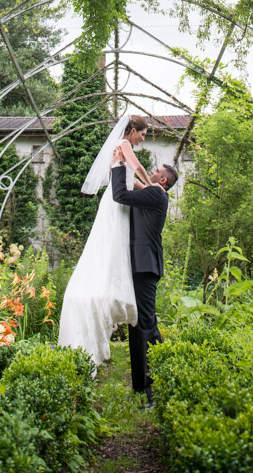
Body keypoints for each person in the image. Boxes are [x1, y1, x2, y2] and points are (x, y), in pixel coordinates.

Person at [57, 113, 154, 366]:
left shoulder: (121, 147)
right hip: (116, 203)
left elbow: (130, 178)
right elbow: (138, 168)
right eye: (143, 135)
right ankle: (110, 291)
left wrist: (145, 188)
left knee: (114, 244)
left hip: (118, 200)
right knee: (112, 243)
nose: (143, 139)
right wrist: (154, 186)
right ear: (132, 130)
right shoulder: (123, 144)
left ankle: (113, 290)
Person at [111, 145, 178, 407]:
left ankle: (157, 391)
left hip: (145, 266)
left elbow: (120, 195)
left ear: (163, 181)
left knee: (147, 325)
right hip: (139, 265)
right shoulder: (152, 193)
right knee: (137, 324)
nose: (152, 170)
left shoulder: (157, 194)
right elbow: (137, 184)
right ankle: (141, 386)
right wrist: (125, 164)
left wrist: (118, 165)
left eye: (157, 170)